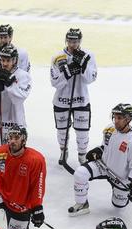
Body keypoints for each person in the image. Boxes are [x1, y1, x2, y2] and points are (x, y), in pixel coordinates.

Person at [68, 103, 132, 216]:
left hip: (120, 177)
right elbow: (105, 146)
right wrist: (98, 150)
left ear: (128, 119)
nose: (116, 121)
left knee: (119, 205)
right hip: (103, 166)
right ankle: (82, 204)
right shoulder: (109, 129)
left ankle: (121, 195)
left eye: (119, 118)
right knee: (80, 173)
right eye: (115, 117)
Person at [0, 125, 45, 229]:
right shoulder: (0, 152)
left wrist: (36, 207)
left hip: (19, 205)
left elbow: (38, 186)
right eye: (10, 137)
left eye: (16, 137)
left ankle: (20, 216)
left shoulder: (36, 160)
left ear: (23, 140)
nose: (12, 141)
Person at [50, 28, 97, 165]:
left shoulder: (88, 56)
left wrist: (83, 67)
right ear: (66, 40)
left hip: (81, 100)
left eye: (75, 41)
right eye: (70, 41)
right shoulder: (58, 57)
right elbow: (54, 82)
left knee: (82, 133)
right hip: (61, 101)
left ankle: (82, 156)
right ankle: (63, 151)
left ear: (80, 41)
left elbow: (91, 78)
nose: (72, 44)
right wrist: (68, 72)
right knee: (62, 131)